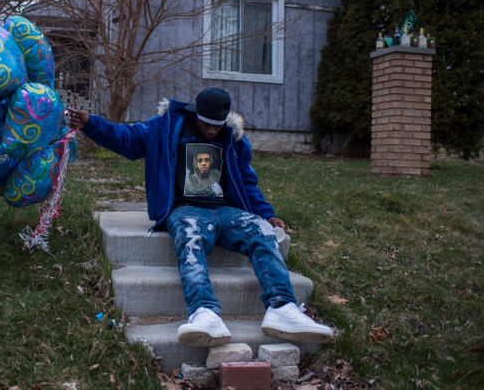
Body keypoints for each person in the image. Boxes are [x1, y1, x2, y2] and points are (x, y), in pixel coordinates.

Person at [68, 87, 333, 347]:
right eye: (207, 124)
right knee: (190, 236)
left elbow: (247, 183)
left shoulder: (233, 139)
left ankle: (282, 308)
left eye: (217, 125)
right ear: (196, 114)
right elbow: (125, 138)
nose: (212, 131)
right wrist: (91, 124)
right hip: (185, 209)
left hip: (225, 210)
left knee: (262, 232)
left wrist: (266, 214)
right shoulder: (165, 128)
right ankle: (204, 312)